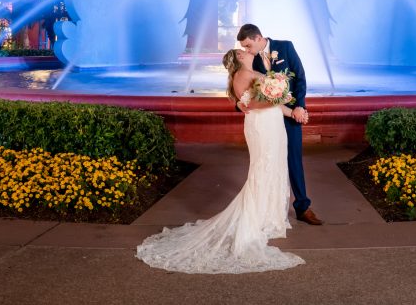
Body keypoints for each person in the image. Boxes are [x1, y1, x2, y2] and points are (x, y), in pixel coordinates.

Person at [135, 48, 305, 274]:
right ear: (239, 58)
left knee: (275, 166)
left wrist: (292, 112)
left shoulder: (256, 72)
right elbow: (252, 105)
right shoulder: (241, 75)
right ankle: (256, 218)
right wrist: (279, 97)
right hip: (261, 126)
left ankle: (270, 216)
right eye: (242, 50)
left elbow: (270, 100)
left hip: (274, 123)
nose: (247, 51)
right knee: (262, 167)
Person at [237, 23, 323, 226]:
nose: (246, 50)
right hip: (266, 117)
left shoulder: (285, 47)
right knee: (267, 161)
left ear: (258, 38)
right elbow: (243, 87)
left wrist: (299, 107)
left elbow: (300, 77)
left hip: (289, 113)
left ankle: (302, 207)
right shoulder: (250, 60)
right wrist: (239, 104)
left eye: (248, 45)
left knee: (294, 159)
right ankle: (268, 208)